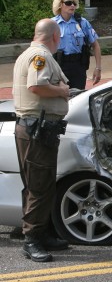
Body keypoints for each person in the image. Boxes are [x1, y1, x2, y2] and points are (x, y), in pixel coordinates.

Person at [13, 19, 71, 262]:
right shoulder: (41, 56)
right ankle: (32, 240)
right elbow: (36, 85)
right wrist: (62, 90)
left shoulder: (30, 53)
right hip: (38, 129)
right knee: (39, 186)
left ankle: (42, 232)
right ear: (55, 36)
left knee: (39, 184)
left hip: (34, 128)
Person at [51, 0, 102, 90]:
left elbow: (95, 45)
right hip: (59, 67)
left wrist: (98, 68)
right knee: (61, 99)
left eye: (74, 3)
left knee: (78, 98)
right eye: (68, 3)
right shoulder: (52, 24)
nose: (72, 6)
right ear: (60, 4)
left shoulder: (82, 22)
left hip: (78, 67)